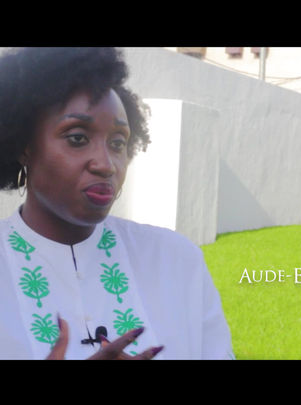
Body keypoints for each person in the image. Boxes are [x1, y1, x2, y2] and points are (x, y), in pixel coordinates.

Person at [0, 47, 234, 360]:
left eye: (117, 142)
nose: (107, 164)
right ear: (24, 146)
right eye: (78, 138)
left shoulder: (178, 261)